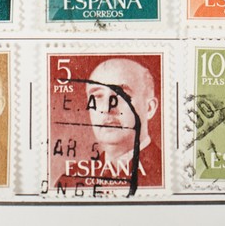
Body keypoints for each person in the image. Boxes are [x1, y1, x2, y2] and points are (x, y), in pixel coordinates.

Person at [58, 58, 161, 187]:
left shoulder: (166, 173)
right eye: (97, 96)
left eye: (122, 95)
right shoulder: (70, 180)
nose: (107, 108)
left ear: (149, 108)